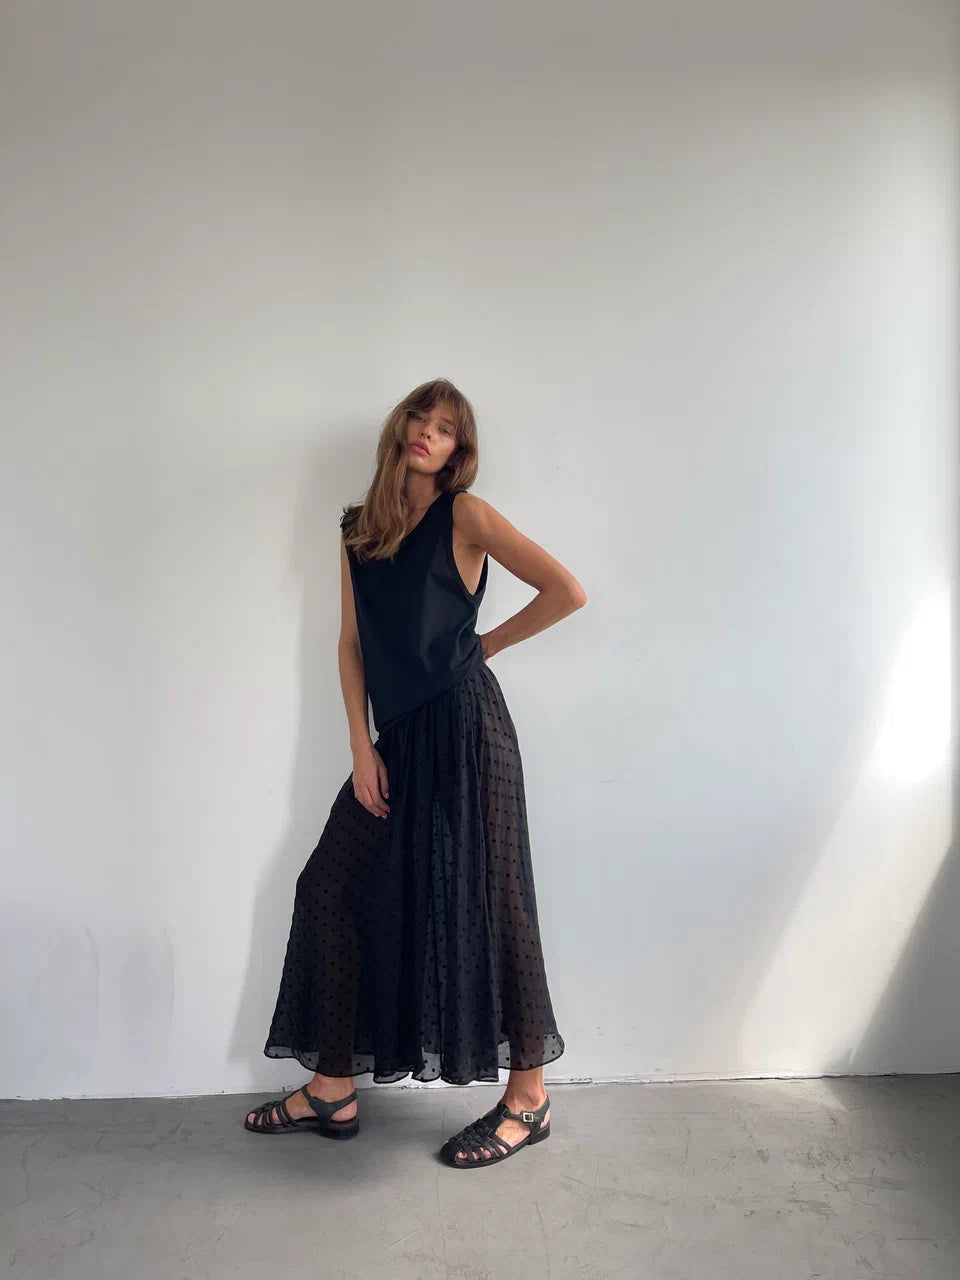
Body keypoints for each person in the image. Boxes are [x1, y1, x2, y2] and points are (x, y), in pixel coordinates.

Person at [243, 378, 587, 1167]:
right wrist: (361, 746)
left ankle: (529, 1098)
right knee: (327, 888)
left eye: (447, 427)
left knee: (498, 902)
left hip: (468, 729)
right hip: (398, 739)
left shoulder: (466, 515)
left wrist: (485, 646)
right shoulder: (357, 530)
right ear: (400, 428)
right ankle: (332, 1086)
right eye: (421, 419)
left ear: (460, 448)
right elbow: (350, 642)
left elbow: (566, 592)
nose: (430, 433)